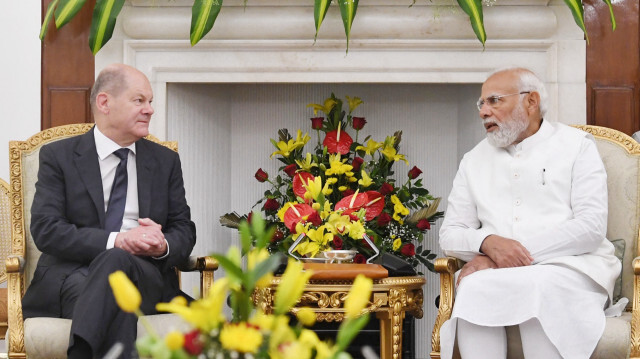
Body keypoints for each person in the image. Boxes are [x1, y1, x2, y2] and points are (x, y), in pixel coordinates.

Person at [438, 67, 621, 359]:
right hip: (499, 274)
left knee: (536, 284)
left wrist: (509, 257)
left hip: (573, 267)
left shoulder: (576, 147)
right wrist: (487, 244)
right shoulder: (473, 160)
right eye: (481, 103)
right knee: (472, 285)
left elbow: (590, 227)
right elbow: (449, 233)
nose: (484, 111)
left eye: (494, 100)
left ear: (531, 101)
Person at [22, 63, 196, 359]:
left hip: (145, 274)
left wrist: (162, 244)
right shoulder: (59, 157)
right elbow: (46, 230)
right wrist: (117, 240)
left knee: (117, 266)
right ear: (104, 102)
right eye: (139, 100)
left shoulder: (165, 161)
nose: (150, 110)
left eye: (150, 101)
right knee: (114, 289)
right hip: (72, 276)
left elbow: (184, 228)